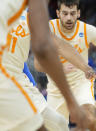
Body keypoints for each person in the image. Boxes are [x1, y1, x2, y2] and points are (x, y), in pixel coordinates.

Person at [0, 0, 90, 130]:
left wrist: (85, 66)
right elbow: (44, 48)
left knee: (57, 123)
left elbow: (58, 44)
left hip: (17, 78)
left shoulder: (27, 14)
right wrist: (71, 102)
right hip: (7, 79)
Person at [34, 0, 96, 130]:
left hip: (81, 84)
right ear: (58, 13)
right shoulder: (48, 28)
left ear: (78, 13)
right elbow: (38, 65)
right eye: (65, 13)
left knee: (89, 119)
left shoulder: (87, 30)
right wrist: (59, 69)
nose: (69, 18)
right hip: (56, 90)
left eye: (73, 13)